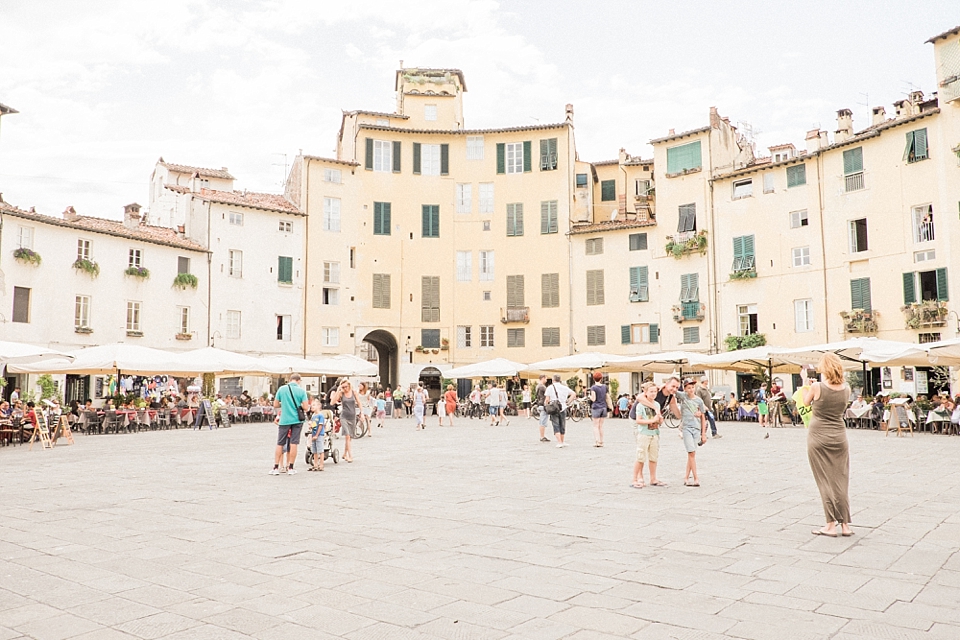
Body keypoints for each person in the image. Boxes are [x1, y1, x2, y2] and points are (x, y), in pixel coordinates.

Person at [803, 355, 854, 537]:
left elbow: (805, 402)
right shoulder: (846, 388)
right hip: (839, 436)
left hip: (818, 436)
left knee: (824, 481)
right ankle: (845, 525)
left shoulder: (817, 387)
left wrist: (804, 384)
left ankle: (830, 525)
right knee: (841, 479)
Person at [270, 373, 309, 475]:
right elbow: (306, 407)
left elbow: (275, 404)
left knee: (280, 443)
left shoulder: (282, 389)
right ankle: (291, 467)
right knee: (293, 443)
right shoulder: (301, 391)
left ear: (290, 379)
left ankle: (276, 467)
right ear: (299, 380)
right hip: (297, 420)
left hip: (284, 419)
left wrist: (284, 404)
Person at [632, 381, 668, 488]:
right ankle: (635, 479)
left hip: (654, 433)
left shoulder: (656, 404)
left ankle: (653, 478)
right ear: (645, 392)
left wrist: (660, 420)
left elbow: (659, 420)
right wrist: (651, 420)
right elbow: (638, 420)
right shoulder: (640, 406)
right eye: (651, 391)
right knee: (640, 457)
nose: (653, 394)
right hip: (644, 433)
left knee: (653, 456)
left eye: (655, 392)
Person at [679, 379, 708, 486]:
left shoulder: (699, 401)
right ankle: (696, 478)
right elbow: (672, 390)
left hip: (696, 428)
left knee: (692, 454)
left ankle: (686, 477)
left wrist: (703, 433)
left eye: (692, 387)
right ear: (685, 389)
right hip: (686, 428)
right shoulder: (683, 397)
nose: (691, 390)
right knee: (691, 452)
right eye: (688, 388)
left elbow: (703, 416)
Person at [330, 378, 362, 462]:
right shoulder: (341, 393)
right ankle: (350, 456)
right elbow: (332, 402)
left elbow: (359, 402)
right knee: (347, 436)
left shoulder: (354, 392)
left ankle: (344, 453)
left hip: (352, 416)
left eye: (346, 386)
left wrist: (361, 413)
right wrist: (338, 390)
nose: (345, 388)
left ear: (349, 385)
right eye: (343, 387)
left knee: (349, 437)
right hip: (344, 416)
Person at [545, 374, 574, 448]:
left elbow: (547, 399)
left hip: (554, 408)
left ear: (553, 380)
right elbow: (573, 394)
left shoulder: (550, 387)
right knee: (562, 424)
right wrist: (568, 401)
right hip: (563, 407)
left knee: (556, 424)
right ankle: (562, 441)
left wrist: (546, 405)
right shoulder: (564, 387)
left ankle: (559, 442)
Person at [589, 372, 608, 447]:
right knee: (601, 426)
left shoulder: (593, 387)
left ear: (593, 378)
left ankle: (597, 441)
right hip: (603, 407)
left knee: (595, 426)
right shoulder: (604, 387)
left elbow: (593, 399)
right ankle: (602, 441)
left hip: (596, 407)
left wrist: (589, 396)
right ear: (601, 378)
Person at [306, 398, 326, 471]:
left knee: (320, 450)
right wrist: (311, 426)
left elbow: (320, 426)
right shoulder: (313, 416)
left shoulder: (320, 416)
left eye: (314, 405)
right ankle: (315, 464)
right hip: (313, 434)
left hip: (319, 435)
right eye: (311, 405)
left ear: (319, 406)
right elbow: (314, 424)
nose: (312, 407)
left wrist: (317, 435)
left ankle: (321, 465)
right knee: (314, 450)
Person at [535, 375, 550, 442]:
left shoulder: (537, 386)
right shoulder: (542, 387)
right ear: (543, 378)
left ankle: (542, 435)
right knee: (543, 420)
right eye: (546, 379)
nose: (546, 380)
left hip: (539, 404)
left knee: (542, 420)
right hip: (543, 404)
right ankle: (542, 436)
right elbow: (547, 395)